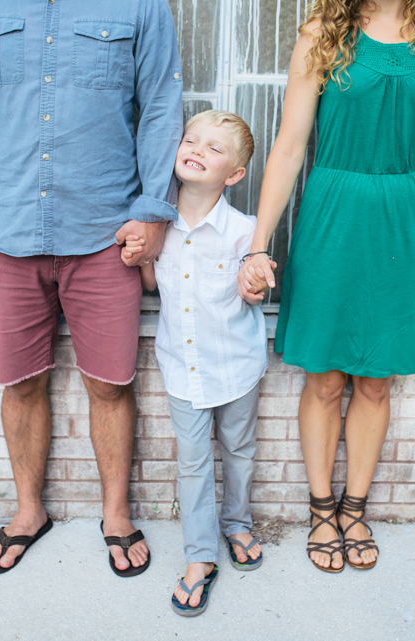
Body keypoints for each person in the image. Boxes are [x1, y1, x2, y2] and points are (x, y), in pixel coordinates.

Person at [239, 0, 415, 573]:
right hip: (332, 216)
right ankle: (321, 510)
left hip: (402, 225)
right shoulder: (323, 33)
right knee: (324, 378)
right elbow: (290, 146)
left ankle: (355, 507)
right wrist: (259, 242)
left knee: (375, 383)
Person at [0, 0, 184, 575]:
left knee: (111, 385)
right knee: (21, 383)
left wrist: (153, 211)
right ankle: (27, 511)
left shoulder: (142, 6)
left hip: (106, 233)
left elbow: (161, 108)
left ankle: (116, 513)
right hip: (5, 233)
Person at [124, 111, 269, 616]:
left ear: (233, 175)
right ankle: (199, 556)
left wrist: (253, 283)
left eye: (214, 148)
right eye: (192, 140)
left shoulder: (245, 230)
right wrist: (139, 257)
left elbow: (252, 290)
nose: (198, 149)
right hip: (181, 365)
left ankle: (237, 524)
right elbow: (150, 287)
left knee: (239, 448)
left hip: (235, 364)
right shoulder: (157, 227)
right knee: (192, 461)